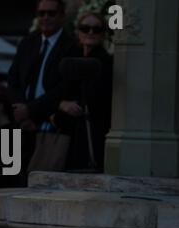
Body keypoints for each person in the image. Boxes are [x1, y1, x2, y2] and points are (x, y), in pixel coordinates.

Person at [8, 0, 75, 182]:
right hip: (23, 123)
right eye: (41, 13)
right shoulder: (28, 43)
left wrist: (31, 110)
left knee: (42, 180)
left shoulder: (71, 46)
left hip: (50, 126)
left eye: (51, 13)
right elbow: (13, 78)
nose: (45, 18)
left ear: (62, 16)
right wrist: (21, 108)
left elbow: (64, 88)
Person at [52, 11, 113, 172]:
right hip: (68, 132)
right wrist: (61, 104)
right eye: (85, 28)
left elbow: (100, 99)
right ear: (77, 32)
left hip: (92, 132)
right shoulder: (70, 58)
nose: (91, 33)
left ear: (103, 34)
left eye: (96, 29)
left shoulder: (106, 62)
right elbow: (56, 89)